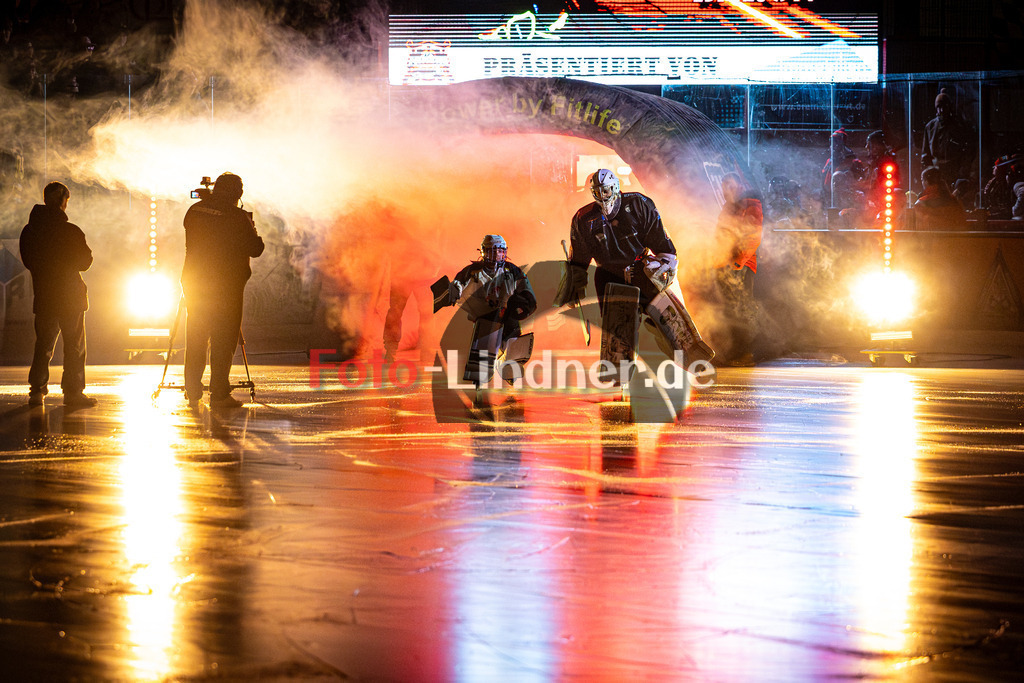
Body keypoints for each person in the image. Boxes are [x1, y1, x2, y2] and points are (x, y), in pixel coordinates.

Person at [181, 172, 264, 408]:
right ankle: (219, 392)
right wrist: (252, 228)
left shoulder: (194, 211)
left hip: (194, 279)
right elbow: (255, 248)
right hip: (225, 285)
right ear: (237, 193)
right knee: (223, 338)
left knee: (196, 334)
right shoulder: (237, 216)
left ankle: (193, 389)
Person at [19, 181, 97, 408]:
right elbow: (85, 263)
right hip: (71, 298)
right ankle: (73, 393)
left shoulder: (29, 232)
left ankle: (37, 391)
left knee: (43, 344)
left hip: (44, 297)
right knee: (74, 347)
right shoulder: (71, 231)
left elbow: (29, 261)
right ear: (63, 201)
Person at [712, 173, 763, 366]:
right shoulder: (729, 206)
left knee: (739, 309)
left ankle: (744, 354)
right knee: (729, 310)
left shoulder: (750, 204)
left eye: (731, 186)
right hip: (726, 264)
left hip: (740, 266)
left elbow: (752, 235)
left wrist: (738, 263)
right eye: (725, 187)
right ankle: (734, 352)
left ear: (739, 186)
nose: (727, 191)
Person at [920, 88, 973, 189]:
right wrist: (929, 170)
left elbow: (967, 151)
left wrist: (963, 171)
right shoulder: (930, 127)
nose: (942, 110)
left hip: (954, 169)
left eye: (945, 106)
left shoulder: (959, 126)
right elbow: (925, 152)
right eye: (939, 107)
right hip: (936, 171)